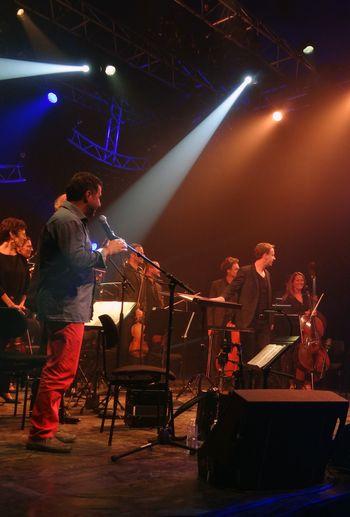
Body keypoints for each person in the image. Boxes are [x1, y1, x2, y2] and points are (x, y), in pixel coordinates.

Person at [26, 172, 127, 453]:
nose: (101, 200)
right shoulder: (67, 220)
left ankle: (46, 428)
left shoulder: (70, 220)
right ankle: (41, 433)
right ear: (88, 195)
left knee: (59, 370)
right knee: (59, 371)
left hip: (66, 304)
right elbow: (78, 259)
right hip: (64, 306)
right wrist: (107, 251)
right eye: (98, 194)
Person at [216, 243, 276, 364]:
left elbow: (268, 299)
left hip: (264, 324)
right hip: (248, 322)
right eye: (272, 255)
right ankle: (247, 383)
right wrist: (222, 298)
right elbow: (232, 288)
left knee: (263, 358)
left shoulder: (267, 274)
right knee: (248, 357)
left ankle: (259, 383)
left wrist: (271, 320)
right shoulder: (246, 271)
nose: (274, 258)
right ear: (265, 255)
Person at [0, 217, 30, 402]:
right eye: (22, 234)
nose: (24, 238)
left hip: (14, 311)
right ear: (12, 235)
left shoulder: (21, 259)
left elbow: (27, 284)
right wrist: (10, 305)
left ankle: (4, 387)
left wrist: (21, 303)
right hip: (2, 309)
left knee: (7, 350)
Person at [207, 257, 240, 379]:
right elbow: (210, 307)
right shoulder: (217, 284)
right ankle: (214, 378)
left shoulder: (239, 286)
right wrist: (210, 325)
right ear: (228, 270)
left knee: (233, 351)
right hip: (219, 322)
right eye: (236, 269)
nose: (238, 271)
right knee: (216, 349)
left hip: (233, 323)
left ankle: (229, 375)